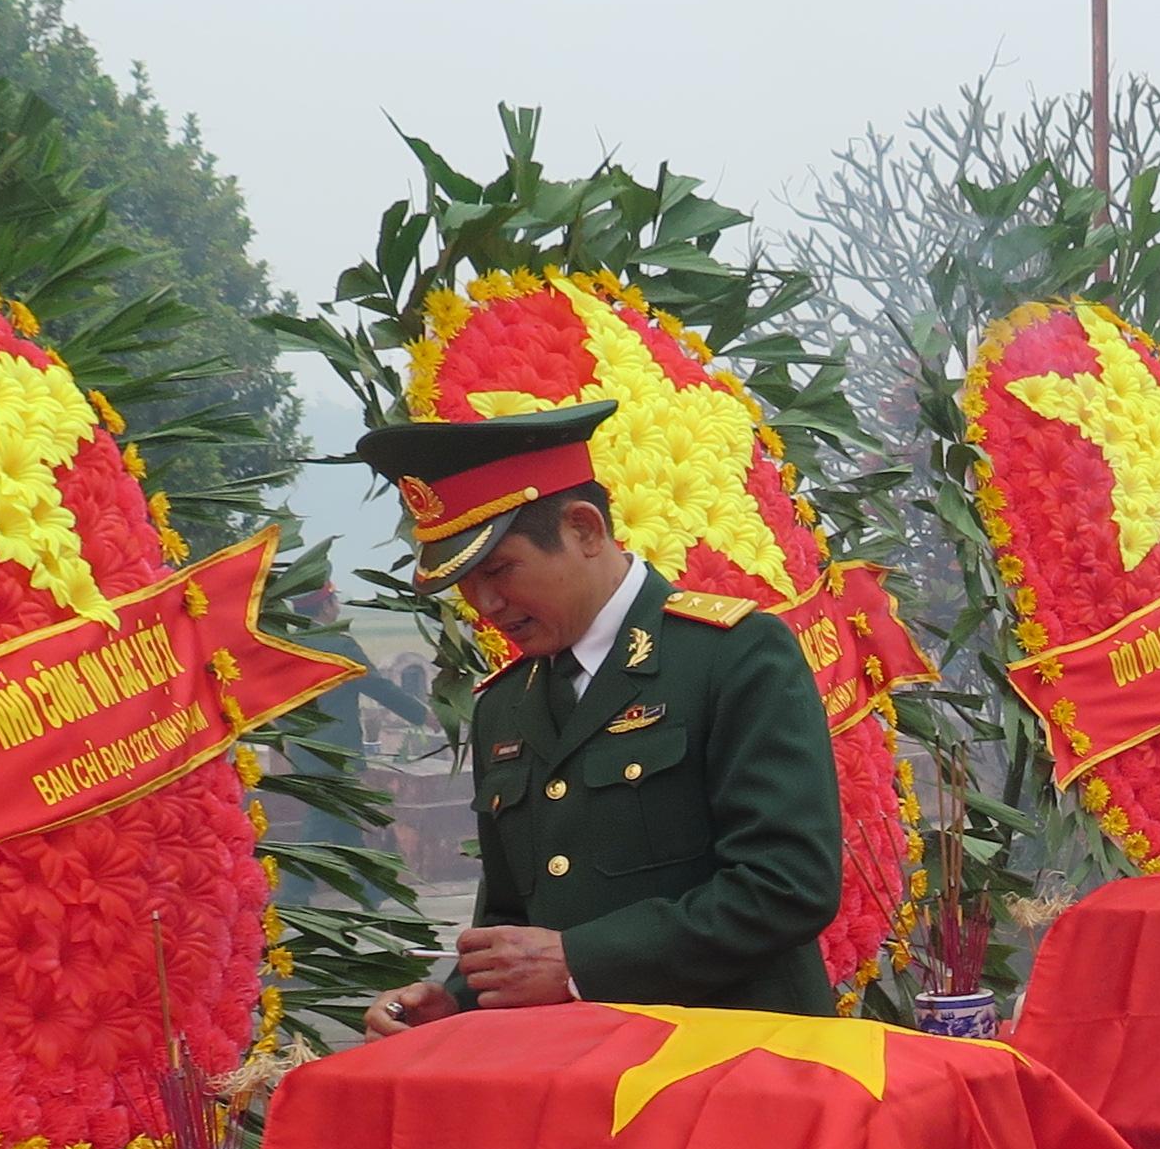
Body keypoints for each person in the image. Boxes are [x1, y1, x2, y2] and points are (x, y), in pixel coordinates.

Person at [356, 402, 845, 1033]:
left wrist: (580, 963)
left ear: (585, 530)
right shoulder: (505, 703)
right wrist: (458, 999)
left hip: (728, 1065)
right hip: (570, 1077)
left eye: (500, 571)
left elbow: (789, 884)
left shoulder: (734, 653)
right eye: (465, 584)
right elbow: (512, 912)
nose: (486, 605)